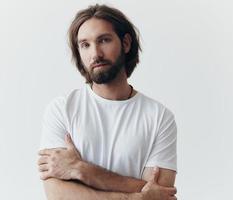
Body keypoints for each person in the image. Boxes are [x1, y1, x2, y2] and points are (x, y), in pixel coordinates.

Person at [37, 4, 177, 200]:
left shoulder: (159, 117)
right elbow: (58, 194)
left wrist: (81, 169)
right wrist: (132, 197)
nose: (95, 54)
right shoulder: (62, 109)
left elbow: (161, 194)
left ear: (126, 43)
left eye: (104, 40)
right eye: (85, 45)